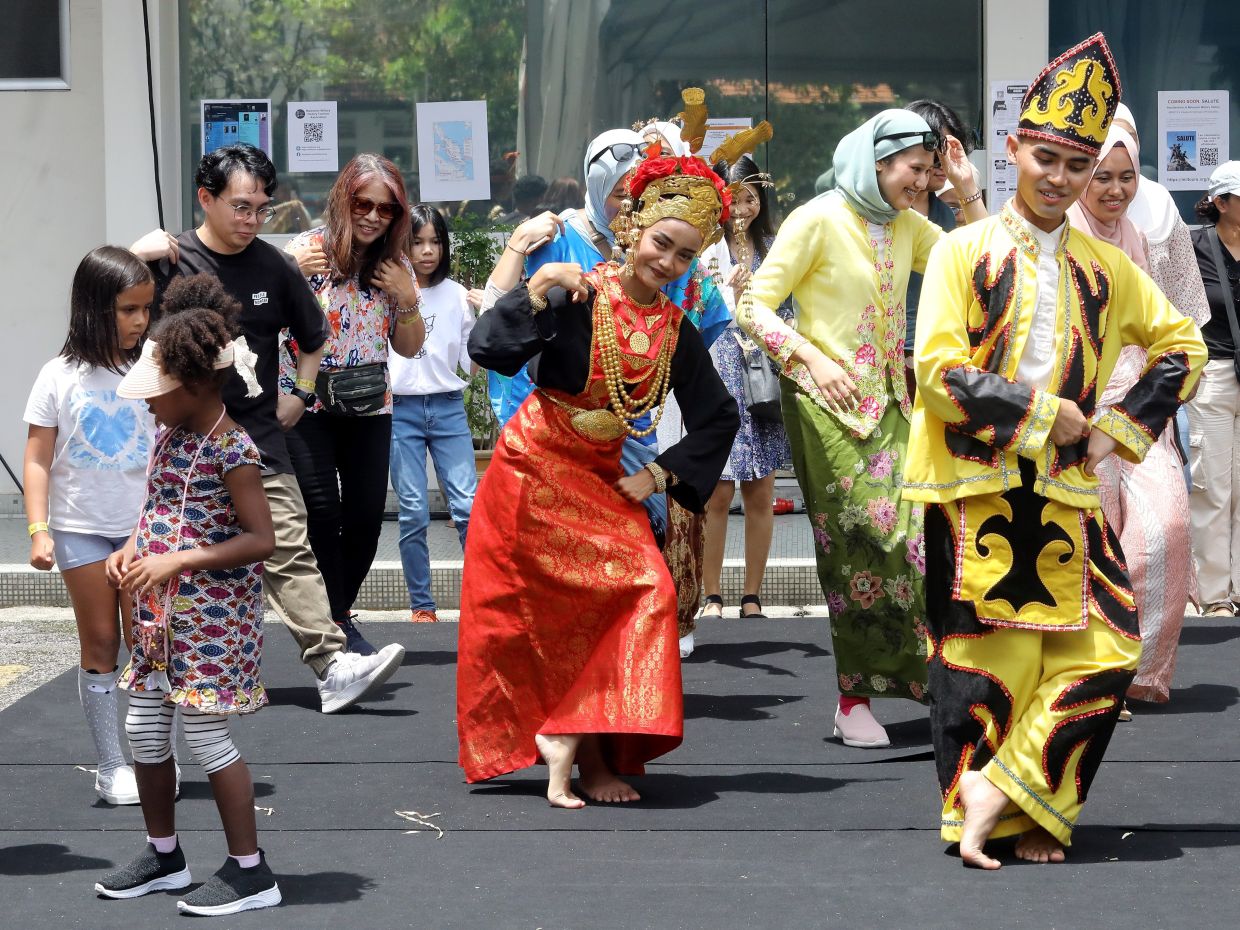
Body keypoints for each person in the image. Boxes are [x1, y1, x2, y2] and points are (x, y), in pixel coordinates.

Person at [905, 33, 1206, 868]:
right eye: (1047, 158)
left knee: (1108, 647)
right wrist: (1047, 416)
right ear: (1013, 150)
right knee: (990, 657)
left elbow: (1184, 345)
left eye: (1078, 165)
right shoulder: (962, 251)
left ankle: (1004, 790)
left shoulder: (1106, 267)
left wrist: (1117, 430)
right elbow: (938, 374)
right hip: (974, 485)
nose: (1061, 178)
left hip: (1068, 489)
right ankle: (993, 816)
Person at [457, 151, 739, 808]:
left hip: (604, 483)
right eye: (661, 243)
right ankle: (577, 753)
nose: (668, 262)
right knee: (532, 622)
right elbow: (487, 350)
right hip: (530, 476)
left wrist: (660, 475)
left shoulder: (676, 332)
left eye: (684, 255)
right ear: (633, 227)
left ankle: (576, 741)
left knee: (647, 593)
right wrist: (534, 287)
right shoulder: (574, 292)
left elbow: (718, 416)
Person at [738, 108, 986, 749]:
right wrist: (811, 357)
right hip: (824, 406)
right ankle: (854, 700)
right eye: (914, 170)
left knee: (920, 541)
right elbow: (752, 306)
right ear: (877, 163)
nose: (922, 183)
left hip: (894, 406)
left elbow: (983, 266)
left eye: (929, 172)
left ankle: (928, 681)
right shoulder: (817, 219)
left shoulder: (907, 225)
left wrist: (967, 191)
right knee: (862, 545)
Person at [129, 143, 404, 714]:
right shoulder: (169, 259)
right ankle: (154, 674)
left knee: (288, 545)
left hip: (256, 436)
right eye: (240, 206)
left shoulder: (275, 265)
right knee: (171, 552)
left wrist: (300, 394)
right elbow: (110, 307)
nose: (251, 219)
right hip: (182, 442)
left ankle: (332, 665)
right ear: (205, 199)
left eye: (261, 208)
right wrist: (135, 254)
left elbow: (315, 336)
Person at [95, 298, 281, 915]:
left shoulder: (233, 448)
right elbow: (156, 510)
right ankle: (164, 856)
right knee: (144, 729)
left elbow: (261, 539)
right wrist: (131, 549)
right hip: (162, 619)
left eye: (157, 390)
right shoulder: (171, 437)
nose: (147, 402)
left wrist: (178, 561)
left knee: (205, 733)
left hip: (211, 620)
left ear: (196, 385)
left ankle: (251, 871)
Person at [1068, 125, 1209, 705]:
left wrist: (1172, 385)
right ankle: (1082, 673)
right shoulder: (1057, 233)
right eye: (1102, 176)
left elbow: (1183, 316)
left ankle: (1134, 668)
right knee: (1086, 538)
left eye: (1127, 177)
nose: (1116, 189)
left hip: (1143, 404)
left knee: (1165, 525)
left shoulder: (1146, 227)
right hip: (1076, 409)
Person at [23, 246, 155, 806]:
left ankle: (153, 757)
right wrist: (39, 529)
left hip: (146, 529)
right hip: (80, 528)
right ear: (94, 308)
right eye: (128, 309)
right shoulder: (58, 375)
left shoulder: (155, 368)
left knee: (149, 642)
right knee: (101, 641)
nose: (141, 320)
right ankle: (111, 766)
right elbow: (36, 457)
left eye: (146, 308)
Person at [282, 154, 426, 642]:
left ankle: (336, 613)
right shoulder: (307, 251)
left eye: (386, 209)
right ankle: (337, 624)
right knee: (322, 513)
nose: (372, 216)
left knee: (366, 516)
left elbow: (409, 348)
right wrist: (289, 273)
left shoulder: (395, 266)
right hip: (307, 402)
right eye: (363, 203)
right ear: (344, 200)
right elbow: (262, 318)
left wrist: (407, 298)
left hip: (369, 406)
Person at [699, 156, 791, 629]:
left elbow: (790, 314)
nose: (741, 208)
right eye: (733, 199)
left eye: (750, 198)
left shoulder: (776, 248)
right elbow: (691, 312)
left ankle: (752, 594)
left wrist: (756, 303)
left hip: (763, 378)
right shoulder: (703, 248)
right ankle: (711, 593)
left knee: (761, 491)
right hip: (717, 372)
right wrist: (725, 297)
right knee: (717, 492)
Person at [388, 205, 477, 623]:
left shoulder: (457, 294)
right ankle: (422, 606)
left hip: (447, 407)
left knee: (467, 508)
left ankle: (479, 602)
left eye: (435, 242)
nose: (427, 251)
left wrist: (493, 314)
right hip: (399, 409)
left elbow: (473, 358)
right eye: (417, 242)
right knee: (412, 511)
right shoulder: (388, 291)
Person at [1187, 161, 1240, 617]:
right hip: (1214, 374)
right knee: (1213, 488)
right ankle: (1214, 595)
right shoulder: (1194, 247)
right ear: (1221, 203)